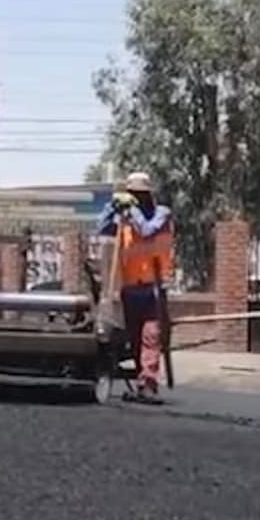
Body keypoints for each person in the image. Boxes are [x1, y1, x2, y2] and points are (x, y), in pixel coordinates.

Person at [96, 172, 174, 404]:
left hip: (154, 288)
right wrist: (112, 207)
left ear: (149, 195)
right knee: (136, 339)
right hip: (130, 288)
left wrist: (132, 211)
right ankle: (142, 385)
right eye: (133, 195)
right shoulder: (125, 220)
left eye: (140, 195)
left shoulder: (162, 214)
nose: (137, 199)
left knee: (151, 337)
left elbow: (147, 231)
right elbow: (101, 228)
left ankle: (148, 384)